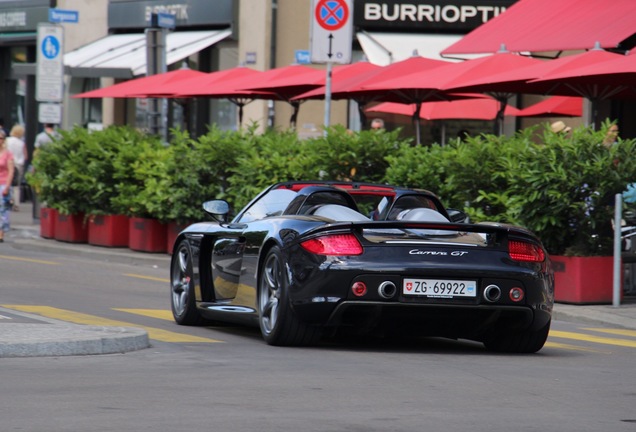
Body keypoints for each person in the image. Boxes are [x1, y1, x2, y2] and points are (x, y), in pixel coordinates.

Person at [6, 124, 27, 211]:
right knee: (16, 186)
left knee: (6, 183)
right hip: (18, 165)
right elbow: (26, 156)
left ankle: (8, 201)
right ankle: (16, 204)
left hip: (8, 163)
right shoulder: (22, 143)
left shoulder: (7, 140)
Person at [0, 130, 15, 242]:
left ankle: (1, 233)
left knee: (2, 209)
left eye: (0, 138)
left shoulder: (8, 154)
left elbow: (11, 171)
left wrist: (7, 187)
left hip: (3, 184)